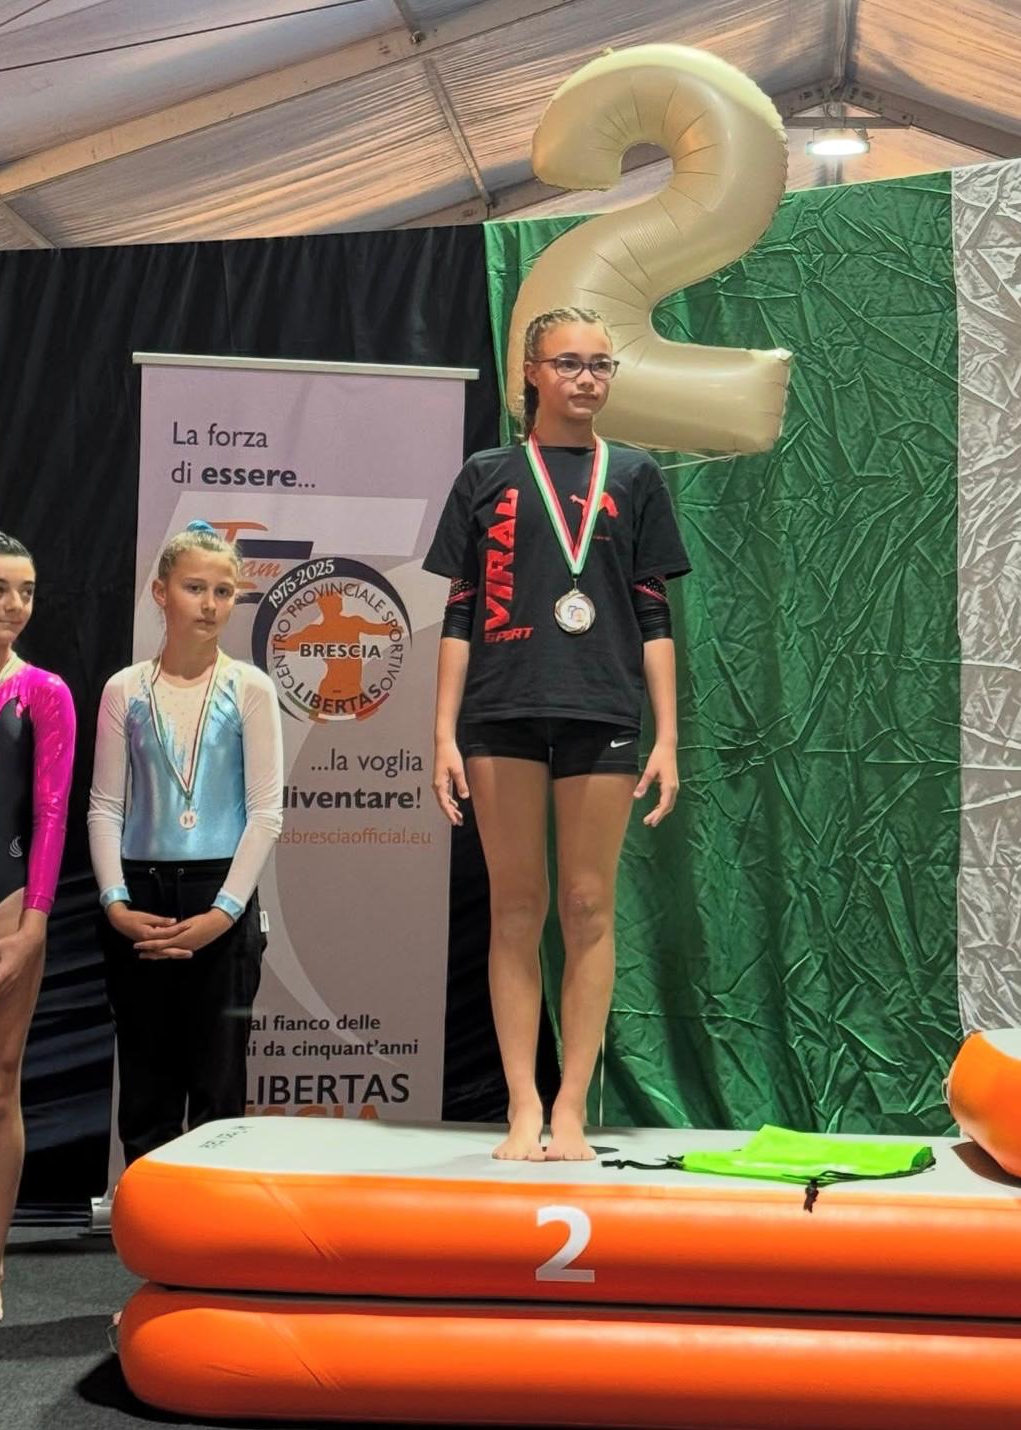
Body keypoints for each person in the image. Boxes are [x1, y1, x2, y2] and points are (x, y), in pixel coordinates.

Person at [424, 306, 691, 1161]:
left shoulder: (635, 474)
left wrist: (667, 737)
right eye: (569, 362)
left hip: (602, 708)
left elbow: (653, 614)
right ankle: (521, 1105)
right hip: (501, 708)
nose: (586, 378)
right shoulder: (487, 474)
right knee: (516, 907)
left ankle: (571, 1106)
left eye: (601, 364)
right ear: (530, 373)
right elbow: (459, 612)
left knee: (585, 904)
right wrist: (441, 734)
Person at [88, 520, 282, 1166]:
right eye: (194, 588)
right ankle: (149, 1218)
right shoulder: (124, 690)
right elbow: (105, 806)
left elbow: (266, 814)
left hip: (220, 896)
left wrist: (223, 914)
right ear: (160, 592)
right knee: (146, 1083)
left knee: (219, 1086)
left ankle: (213, 1223)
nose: (209, 604)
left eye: (223, 591)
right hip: (139, 896)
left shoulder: (250, 688)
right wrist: (116, 903)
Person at [0, 532, 75, 1325]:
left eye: (26, 590)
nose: (15, 604)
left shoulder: (43, 692)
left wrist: (34, 922)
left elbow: (51, 812)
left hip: (6, 906)